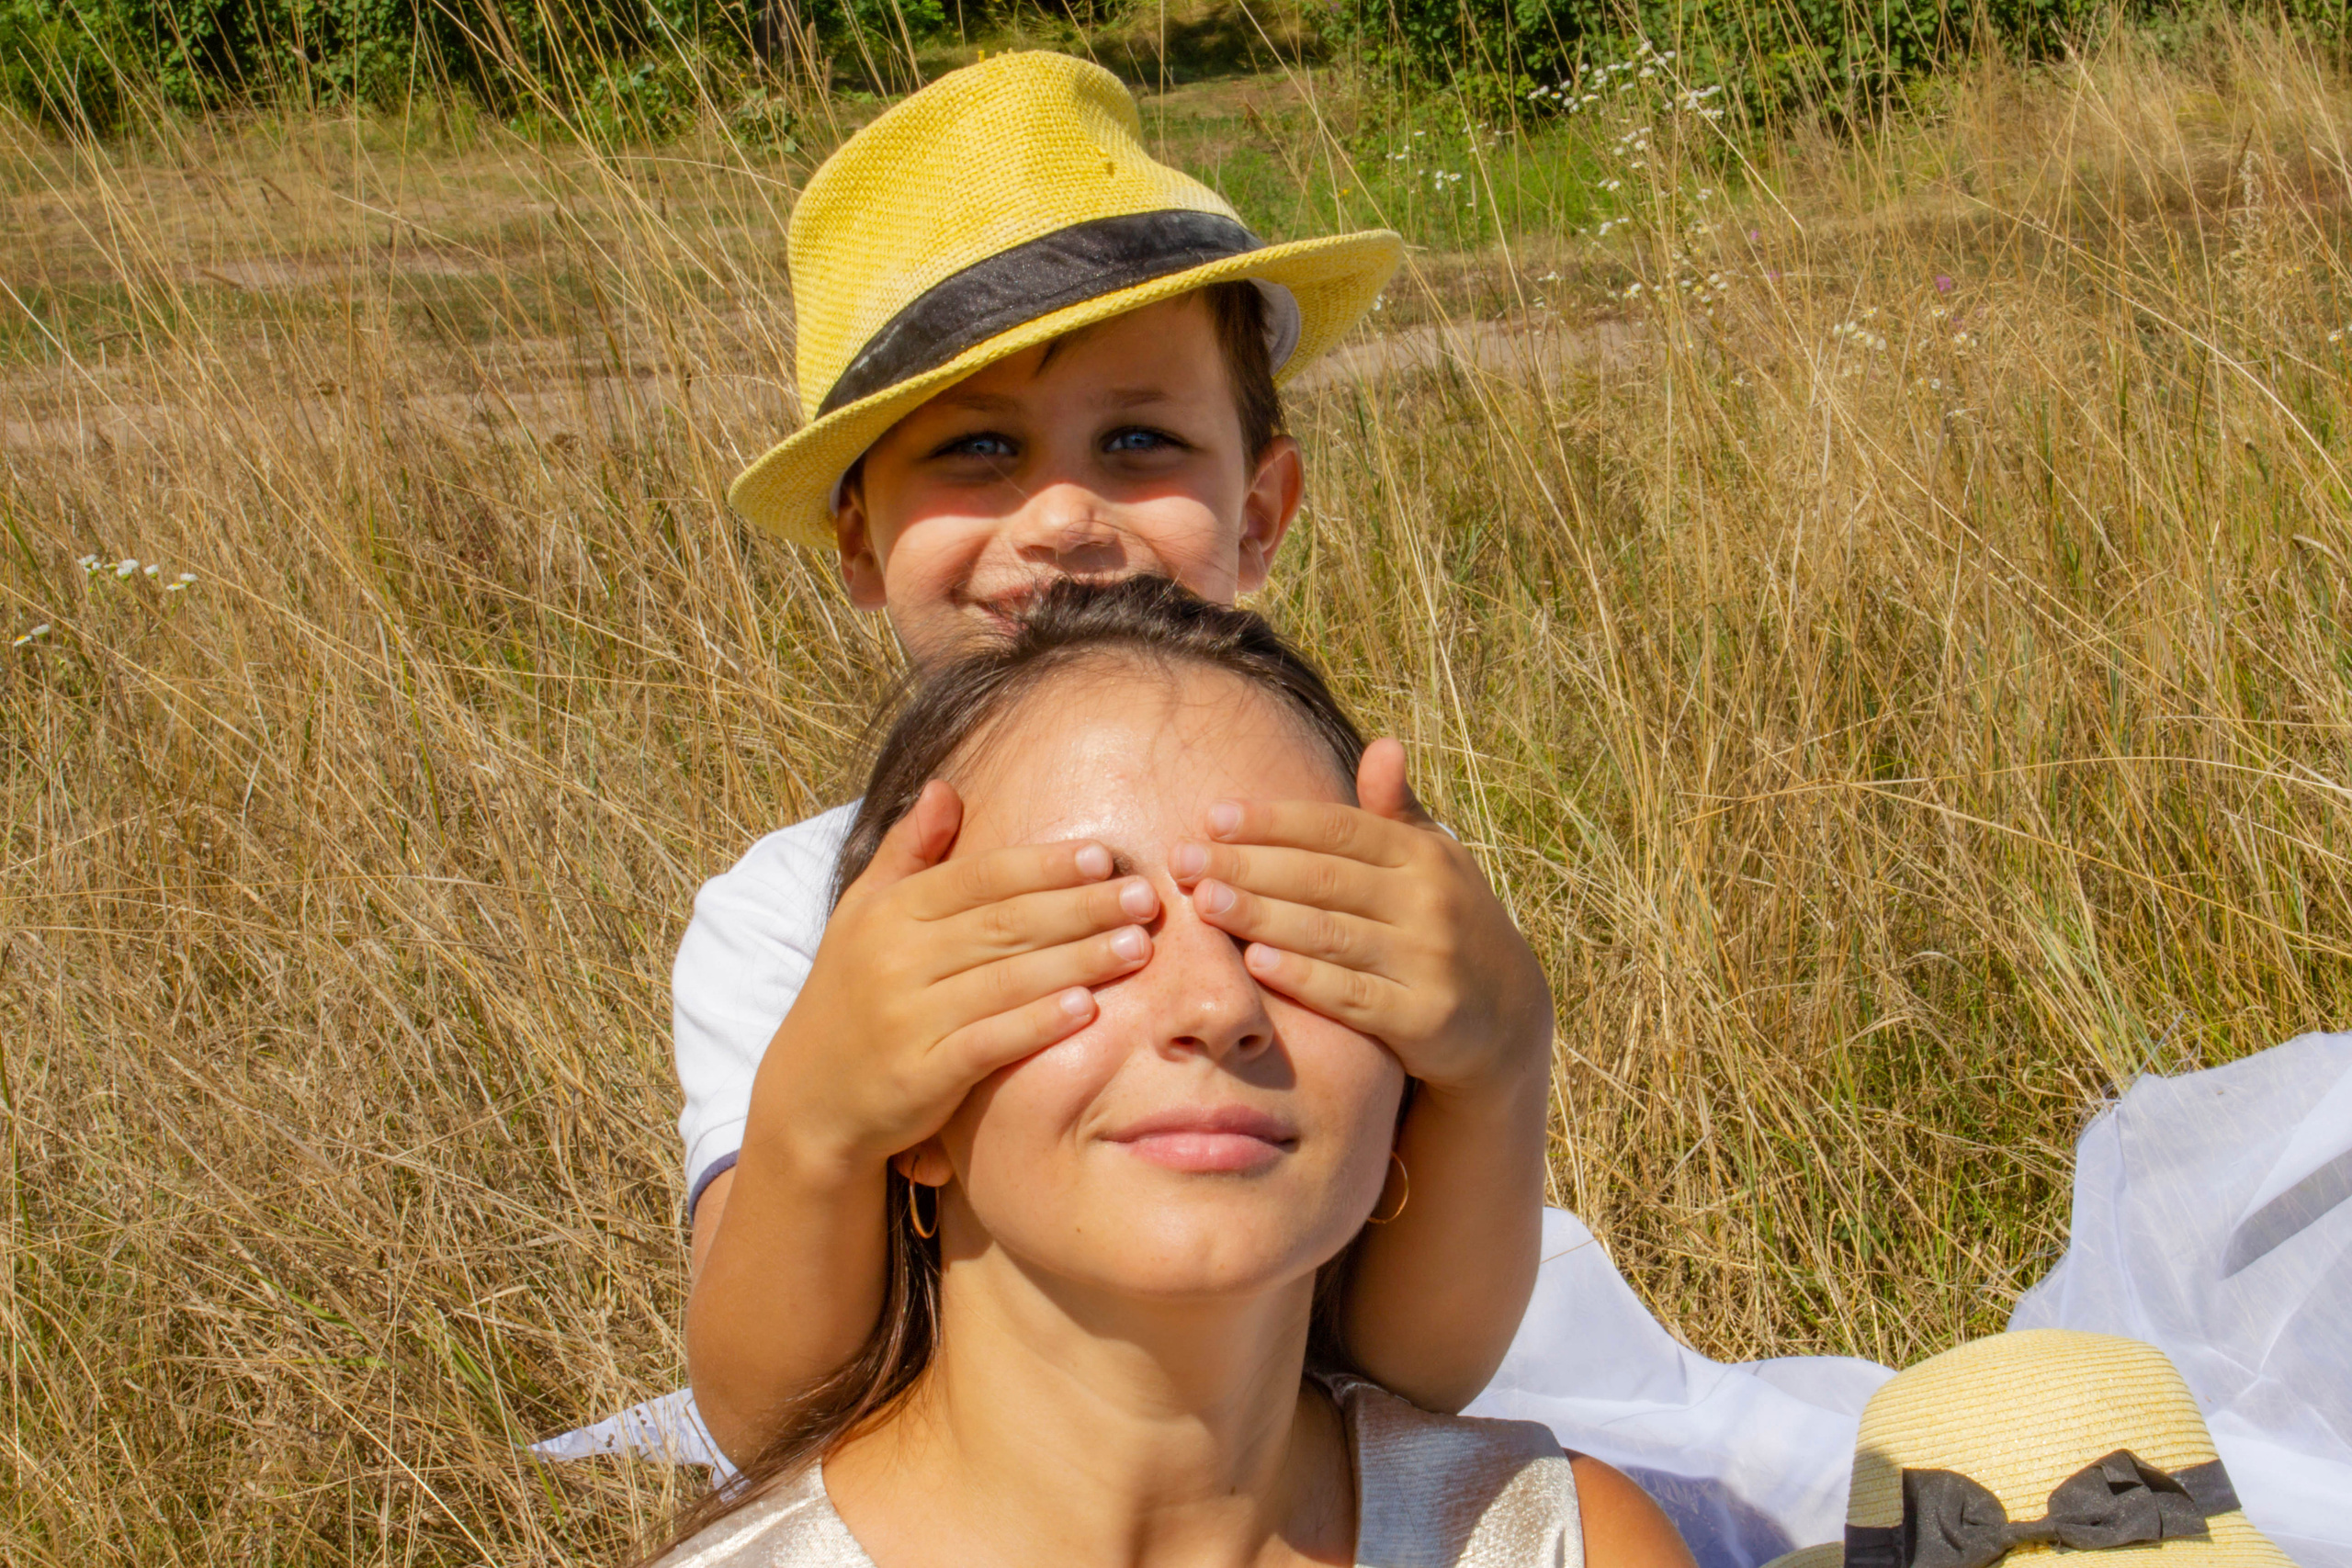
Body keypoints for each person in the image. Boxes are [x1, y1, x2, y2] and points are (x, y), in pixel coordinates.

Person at [679, 51, 1558, 1463]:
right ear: (857, 537)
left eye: (1139, 436)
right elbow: (768, 1413)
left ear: (1260, 505)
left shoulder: (1342, 846)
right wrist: (824, 1110)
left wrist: (1502, 1051)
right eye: (975, 449)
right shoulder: (790, 914)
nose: (1063, 515)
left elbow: (1407, 1373)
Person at [650, 579, 1693, 1568]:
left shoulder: (1572, 1543)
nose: (1217, 1008)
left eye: (1301, 932)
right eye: (1093, 931)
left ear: (1415, 1079)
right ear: (907, 1117)